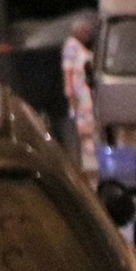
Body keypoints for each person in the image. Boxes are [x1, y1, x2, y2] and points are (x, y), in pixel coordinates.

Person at [60, 16, 98, 179]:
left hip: (86, 89)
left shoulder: (81, 47)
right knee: (83, 123)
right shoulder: (71, 46)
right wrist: (69, 90)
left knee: (89, 122)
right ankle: (88, 160)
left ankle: (92, 158)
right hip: (78, 89)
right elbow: (68, 69)